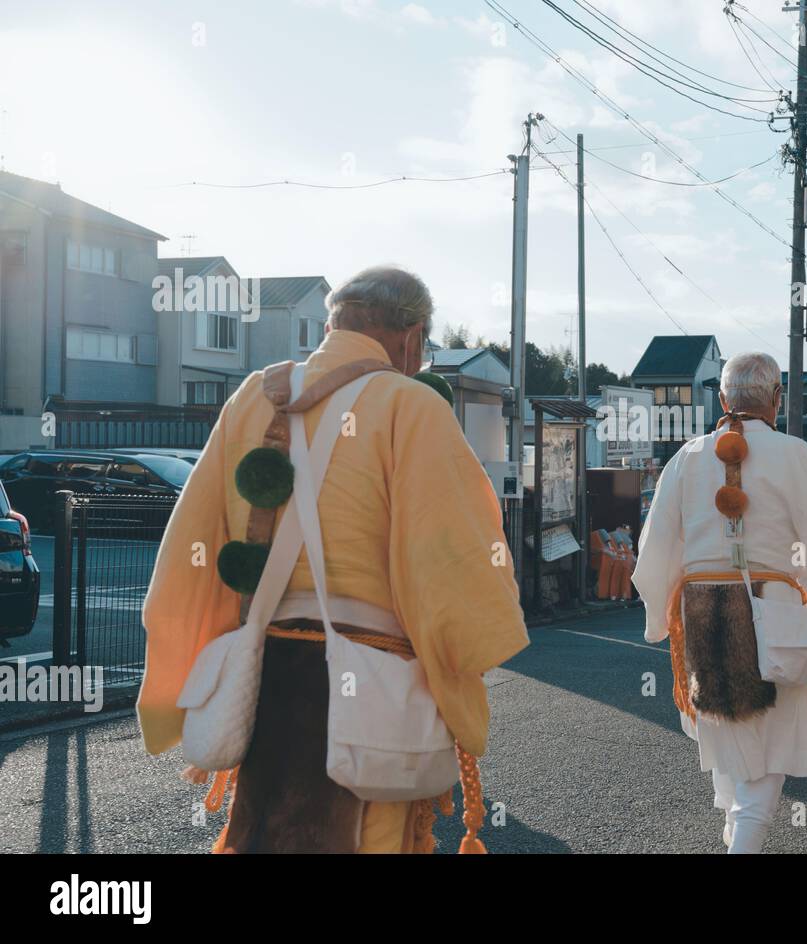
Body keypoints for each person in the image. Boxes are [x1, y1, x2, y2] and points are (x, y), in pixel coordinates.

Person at [138, 266, 530, 853]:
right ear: (412, 338)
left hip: (264, 675)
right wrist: (474, 647)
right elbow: (452, 556)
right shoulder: (410, 406)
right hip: (370, 677)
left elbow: (191, 545)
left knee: (261, 833)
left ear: (331, 324)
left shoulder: (255, 395)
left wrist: (187, 645)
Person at [632, 351, 807, 854]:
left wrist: (659, 615)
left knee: (727, 740)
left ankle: (733, 835)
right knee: (768, 754)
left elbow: (657, 546)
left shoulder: (688, 456)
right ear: (777, 399)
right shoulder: (793, 453)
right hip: (773, 610)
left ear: (721, 400)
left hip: (701, 612)